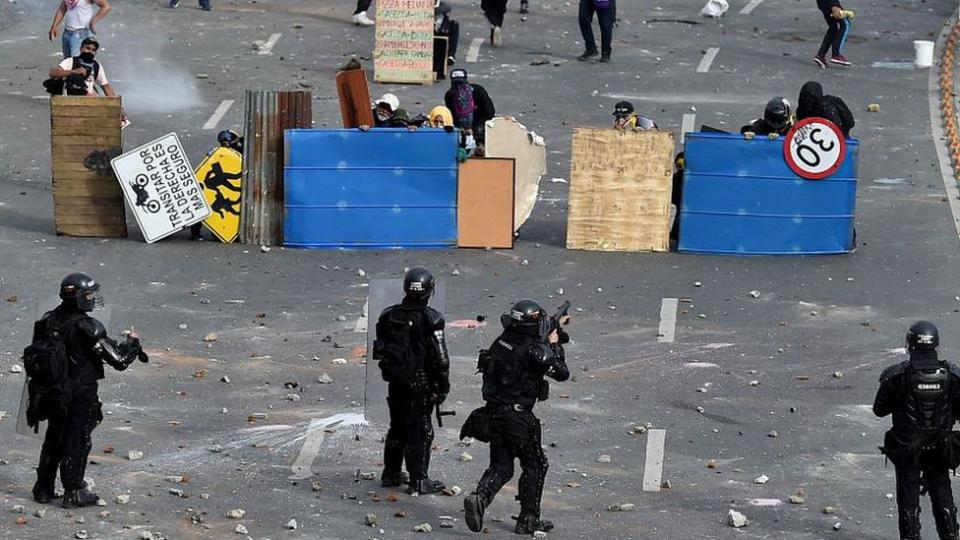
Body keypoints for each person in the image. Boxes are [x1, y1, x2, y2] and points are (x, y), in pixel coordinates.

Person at [26, 273, 147, 508]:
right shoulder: (88, 327)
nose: (92, 299)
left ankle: (43, 488)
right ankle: (74, 491)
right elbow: (119, 360)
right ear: (78, 297)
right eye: (88, 294)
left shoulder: (49, 319)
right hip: (80, 392)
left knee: (54, 437)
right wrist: (133, 343)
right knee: (78, 440)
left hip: (55, 390)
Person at [463, 299, 571, 535]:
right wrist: (554, 344)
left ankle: (479, 497)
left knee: (501, 467)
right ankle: (528, 519)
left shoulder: (502, 341)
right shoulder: (534, 350)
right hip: (518, 418)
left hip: (493, 413)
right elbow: (562, 373)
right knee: (536, 464)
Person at [874, 321, 960, 540]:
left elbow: (879, 410)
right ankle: (950, 535)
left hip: (907, 448)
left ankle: (911, 537)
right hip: (940, 447)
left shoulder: (896, 376)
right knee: (943, 493)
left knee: (908, 497)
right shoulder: (952, 375)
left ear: (909, 344)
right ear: (936, 344)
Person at [372, 268, 450, 495]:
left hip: (396, 382)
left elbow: (380, 350)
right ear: (430, 291)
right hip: (421, 384)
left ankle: (391, 473)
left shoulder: (388, 315)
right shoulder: (431, 319)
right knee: (422, 431)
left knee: (397, 427)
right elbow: (441, 358)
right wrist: (443, 386)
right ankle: (419, 480)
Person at [47, 36, 117, 98]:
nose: (90, 51)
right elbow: (53, 73)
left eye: (93, 50)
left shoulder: (96, 65)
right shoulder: (71, 61)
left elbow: (106, 87)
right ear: (81, 48)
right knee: (73, 78)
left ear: (95, 53)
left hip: (90, 100)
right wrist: (74, 71)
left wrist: (118, 107)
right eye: (87, 48)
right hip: (70, 98)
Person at [444, 69, 495, 150]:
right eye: (455, 84)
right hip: (462, 129)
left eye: (461, 83)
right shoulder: (450, 96)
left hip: (480, 125)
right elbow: (451, 116)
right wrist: (462, 129)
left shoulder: (478, 92)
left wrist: (474, 129)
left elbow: (489, 113)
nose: (459, 87)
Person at [814, 0, 852, 67]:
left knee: (833, 28)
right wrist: (834, 5)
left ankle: (821, 56)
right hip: (830, 3)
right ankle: (836, 55)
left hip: (823, 3)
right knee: (846, 25)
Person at [435, 1, 460, 66]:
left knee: (454, 25)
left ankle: (451, 55)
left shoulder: (440, 4)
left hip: (441, 30)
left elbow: (448, 7)